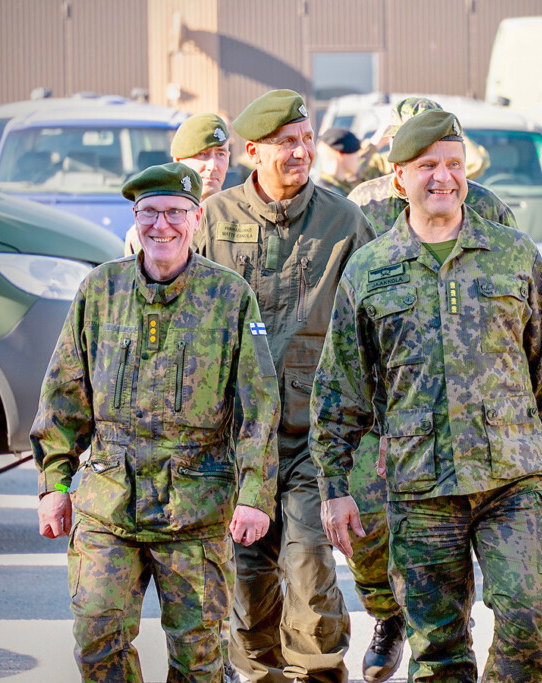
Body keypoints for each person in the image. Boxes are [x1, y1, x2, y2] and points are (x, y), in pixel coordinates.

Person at [311, 110, 542, 682]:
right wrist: (336, 488)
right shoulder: (370, 269)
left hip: (511, 479)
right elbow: (340, 390)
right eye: (428, 166)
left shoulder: (513, 253)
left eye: (454, 164)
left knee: (528, 619)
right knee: (438, 648)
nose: (444, 178)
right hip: (419, 488)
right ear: (400, 175)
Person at [31, 162, 280, 681]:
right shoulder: (100, 289)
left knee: (199, 658)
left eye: (174, 213)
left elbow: (258, 405)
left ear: (194, 219)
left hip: (196, 509)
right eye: (148, 213)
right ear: (134, 218)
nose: (160, 226)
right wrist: (53, 483)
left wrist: (255, 494)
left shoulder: (229, 296)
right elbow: (63, 393)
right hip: (108, 502)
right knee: (98, 640)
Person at [195, 89, 373, 683]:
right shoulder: (212, 221)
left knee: (309, 570)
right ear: (252, 152)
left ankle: (318, 672)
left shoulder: (343, 220)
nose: (302, 153)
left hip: (310, 437)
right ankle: (260, 673)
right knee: (246, 580)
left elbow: (373, 316)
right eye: (286, 143)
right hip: (234, 439)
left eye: (306, 140)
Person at [344, 95, 518, 683]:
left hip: (470, 407)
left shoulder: (488, 208)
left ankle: (444, 625)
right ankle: (387, 614)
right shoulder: (360, 207)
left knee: (457, 539)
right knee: (367, 528)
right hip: (380, 404)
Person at [349, 98, 512, 235]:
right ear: (391, 142)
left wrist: (453, 129)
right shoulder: (366, 200)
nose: (415, 148)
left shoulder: (484, 204)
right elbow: (351, 170)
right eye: (404, 140)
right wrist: (373, 145)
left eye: (428, 138)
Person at [124, 113, 231, 255]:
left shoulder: (242, 222)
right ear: (179, 160)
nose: (213, 165)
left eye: (221, 154)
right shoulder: (147, 233)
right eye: (202, 154)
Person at [314, 127, 363, 197]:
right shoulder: (327, 195)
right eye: (354, 152)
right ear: (340, 154)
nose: (358, 157)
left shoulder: (341, 188)